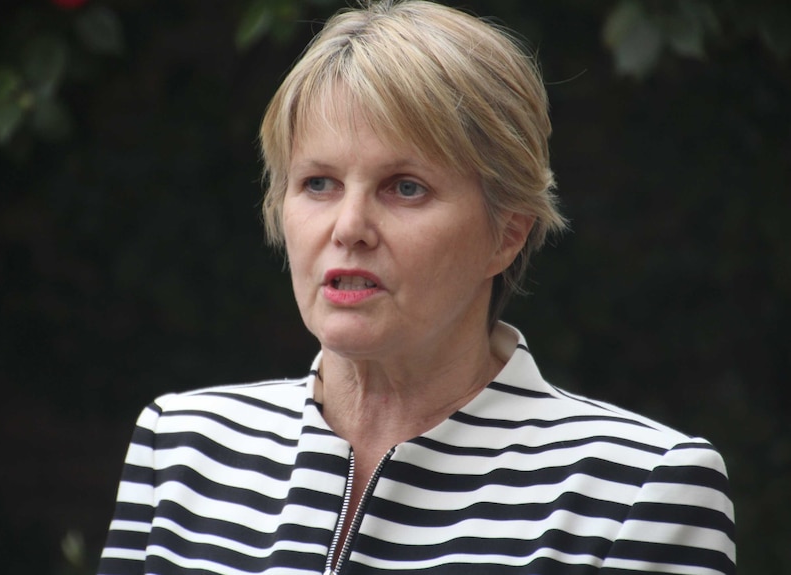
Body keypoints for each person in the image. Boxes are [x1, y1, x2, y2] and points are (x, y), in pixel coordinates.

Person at [97, 1, 736, 573]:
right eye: (318, 183)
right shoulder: (185, 447)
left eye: (406, 187)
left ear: (507, 234)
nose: (349, 228)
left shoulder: (637, 492)